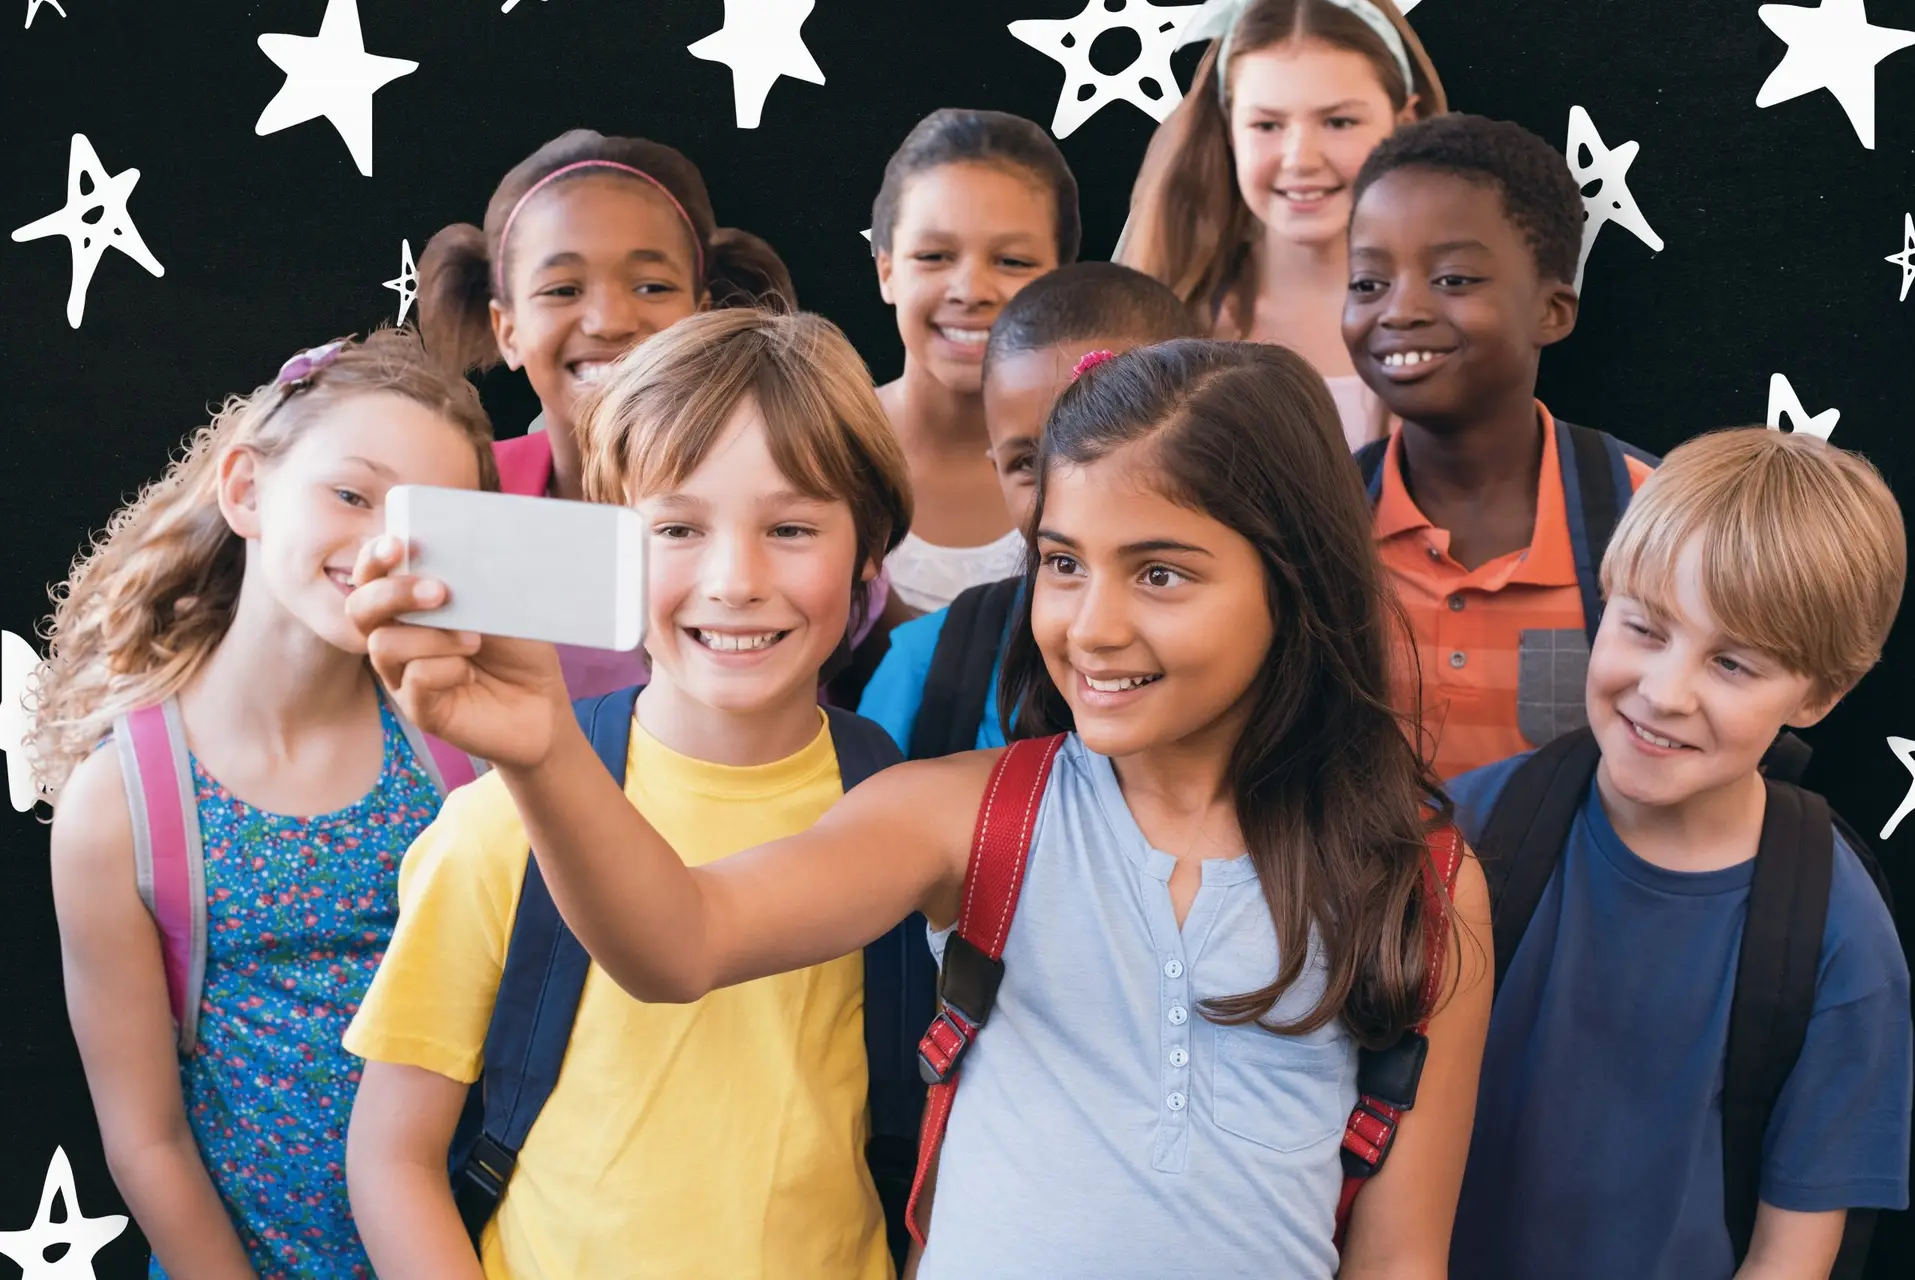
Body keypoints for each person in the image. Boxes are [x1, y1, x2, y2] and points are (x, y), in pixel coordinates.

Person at [347, 339, 1495, 1278]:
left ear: (1293, 582)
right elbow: (678, 938)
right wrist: (547, 752)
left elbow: (1398, 1254)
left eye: (1160, 571)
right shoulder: (962, 815)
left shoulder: (1423, 883)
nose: (1091, 623)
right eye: (1061, 562)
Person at [342, 309, 918, 1280]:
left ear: (868, 550)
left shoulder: (905, 821)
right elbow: (392, 1153)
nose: (734, 579)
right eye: (679, 528)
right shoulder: (496, 827)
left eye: (790, 526)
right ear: (612, 547)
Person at [30, 330, 498, 1279]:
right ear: (246, 490)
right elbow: (146, 1139)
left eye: (424, 517)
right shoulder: (119, 805)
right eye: (352, 494)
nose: (381, 543)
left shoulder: (462, 754)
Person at [1443, 427, 1912, 1280]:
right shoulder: (1463, 835)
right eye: (1645, 629)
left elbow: (1792, 1254)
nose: (1664, 692)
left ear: (1821, 694)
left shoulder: (1838, 939)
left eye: (1732, 664)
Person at [415, 127, 866, 700]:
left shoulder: (813, 495)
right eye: (561, 290)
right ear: (507, 329)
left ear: (704, 312)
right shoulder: (458, 503)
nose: (609, 321)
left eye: (652, 286)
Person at [1341, 112, 1658, 780]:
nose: (1400, 310)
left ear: (1553, 310)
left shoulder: (1655, 521)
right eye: (1369, 283)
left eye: (1453, 279)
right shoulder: (1316, 523)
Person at [859, 262, 1200, 758]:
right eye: (1027, 462)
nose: (1066, 489)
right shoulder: (927, 666)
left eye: (1109, 444)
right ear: (993, 468)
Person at [1120, 0, 1446, 449]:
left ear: (1403, 123)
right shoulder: (1166, 321)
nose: (1301, 159)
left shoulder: (1460, 317)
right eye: (1267, 124)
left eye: (1339, 121)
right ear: (1228, 130)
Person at [870, 108, 1079, 615]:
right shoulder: (817, 446)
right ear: (887, 271)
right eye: (934, 256)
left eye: (1012, 261)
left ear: (1059, 280)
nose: (970, 291)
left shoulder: (1099, 461)